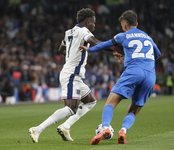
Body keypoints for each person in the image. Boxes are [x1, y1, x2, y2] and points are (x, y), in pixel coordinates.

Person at [28, 8, 123, 143]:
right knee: (70, 108)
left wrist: (74, 54)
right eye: (93, 23)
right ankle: (38, 129)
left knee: (90, 102)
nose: (94, 26)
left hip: (74, 74)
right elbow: (95, 42)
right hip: (72, 74)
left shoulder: (69, 32)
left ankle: (66, 126)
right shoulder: (84, 31)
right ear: (87, 22)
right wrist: (113, 50)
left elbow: (61, 49)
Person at [79, 10, 161, 145]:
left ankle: (105, 127)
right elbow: (157, 54)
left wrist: (90, 49)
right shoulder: (148, 37)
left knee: (111, 101)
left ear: (124, 24)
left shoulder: (122, 36)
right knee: (134, 109)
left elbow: (104, 45)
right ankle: (123, 131)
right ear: (137, 23)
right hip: (150, 75)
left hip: (134, 71)